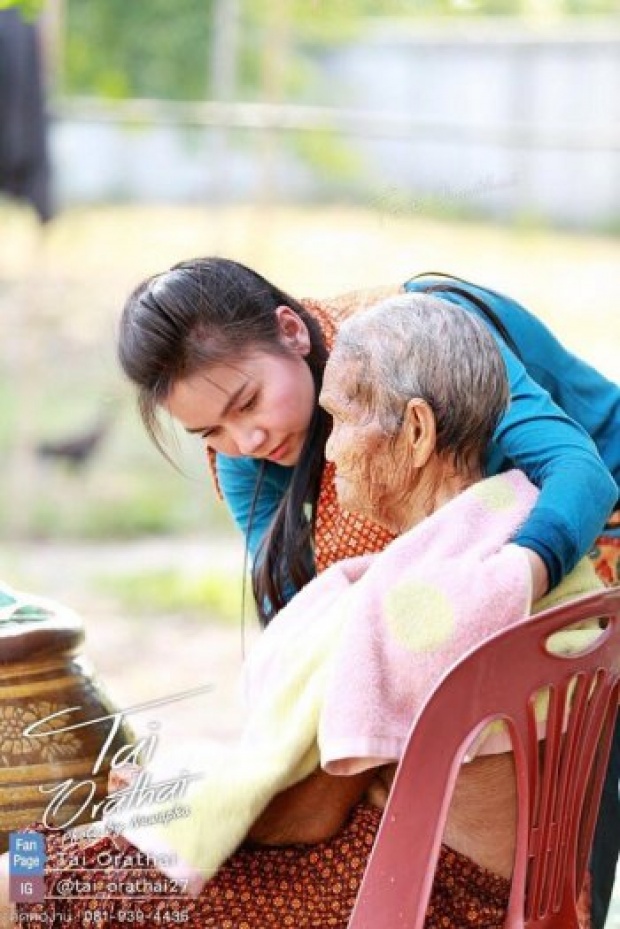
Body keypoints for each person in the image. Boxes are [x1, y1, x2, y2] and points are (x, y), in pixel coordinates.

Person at [3, 293, 603, 929]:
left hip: (419, 888)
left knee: (36, 878)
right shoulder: (511, 534)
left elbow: (303, 815)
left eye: (340, 422)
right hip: (523, 882)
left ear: (419, 431)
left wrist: (162, 796)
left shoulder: (418, 611)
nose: (332, 453)